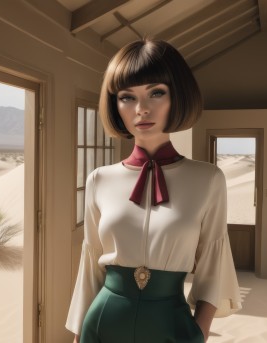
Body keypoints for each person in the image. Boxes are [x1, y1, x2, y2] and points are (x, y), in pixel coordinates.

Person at [66, 38, 242, 343]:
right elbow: (91, 267)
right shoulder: (100, 180)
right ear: (115, 104)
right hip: (103, 325)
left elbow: (215, 267)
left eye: (156, 93)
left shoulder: (208, 179)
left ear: (178, 96)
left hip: (172, 327)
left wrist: (196, 334)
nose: (141, 109)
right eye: (127, 97)